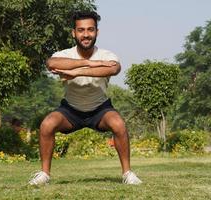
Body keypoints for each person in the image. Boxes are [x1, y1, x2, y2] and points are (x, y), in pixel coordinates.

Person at [28, 11, 142, 185]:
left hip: (100, 110)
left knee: (118, 124)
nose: (86, 34)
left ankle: (127, 174)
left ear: (97, 32)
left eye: (90, 29)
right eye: (81, 30)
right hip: (70, 110)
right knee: (47, 125)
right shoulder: (65, 53)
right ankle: (44, 174)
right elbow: (51, 63)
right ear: (74, 33)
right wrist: (89, 63)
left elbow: (113, 69)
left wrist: (76, 72)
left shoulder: (106, 55)